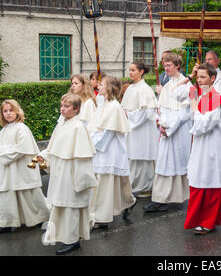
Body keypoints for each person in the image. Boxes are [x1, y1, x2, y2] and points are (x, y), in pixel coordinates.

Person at [182, 63, 221, 235]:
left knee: (211, 183)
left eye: (203, 77)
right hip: (202, 146)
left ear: (212, 78)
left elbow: (204, 125)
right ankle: (216, 209)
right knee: (200, 180)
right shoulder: (204, 95)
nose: (199, 81)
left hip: (213, 148)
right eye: (198, 77)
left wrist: (193, 107)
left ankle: (208, 221)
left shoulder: (215, 98)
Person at [38, 93, 97, 255]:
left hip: (71, 174)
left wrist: (81, 181)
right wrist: (43, 156)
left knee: (71, 206)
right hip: (60, 171)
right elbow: (53, 147)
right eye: (62, 106)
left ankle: (72, 240)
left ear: (76, 109)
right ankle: (65, 236)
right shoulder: (62, 124)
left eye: (66, 106)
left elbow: (82, 157)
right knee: (61, 205)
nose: (62, 109)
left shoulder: (78, 127)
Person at [143, 53, 192, 212]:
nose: (166, 68)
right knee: (164, 162)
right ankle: (161, 198)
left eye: (169, 65)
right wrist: (160, 123)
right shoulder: (167, 85)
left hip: (178, 131)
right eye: (164, 66)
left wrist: (169, 128)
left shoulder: (185, 86)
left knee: (175, 162)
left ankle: (170, 198)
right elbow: (161, 107)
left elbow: (186, 112)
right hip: (166, 128)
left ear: (178, 65)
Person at [88, 76, 136, 228]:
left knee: (104, 186)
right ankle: (129, 201)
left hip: (108, 151)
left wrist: (93, 146)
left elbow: (107, 134)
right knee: (118, 183)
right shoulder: (103, 103)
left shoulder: (114, 107)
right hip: (100, 149)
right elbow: (95, 127)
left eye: (101, 84)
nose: (99, 86)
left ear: (109, 88)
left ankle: (101, 218)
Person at [0, 100, 50, 234]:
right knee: (8, 195)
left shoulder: (21, 128)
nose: (8, 113)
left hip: (21, 169)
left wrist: (3, 153)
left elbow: (22, 149)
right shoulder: (4, 130)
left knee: (28, 195)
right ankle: (7, 222)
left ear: (17, 111)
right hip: (10, 170)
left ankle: (41, 216)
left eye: (11, 110)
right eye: (5, 111)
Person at [121, 62, 159, 198]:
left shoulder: (145, 89)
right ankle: (132, 184)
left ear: (141, 71)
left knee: (142, 158)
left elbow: (146, 112)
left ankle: (145, 185)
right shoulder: (131, 88)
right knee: (132, 157)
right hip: (131, 128)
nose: (130, 72)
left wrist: (129, 118)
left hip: (141, 129)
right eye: (129, 70)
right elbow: (124, 107)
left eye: (133, 70)